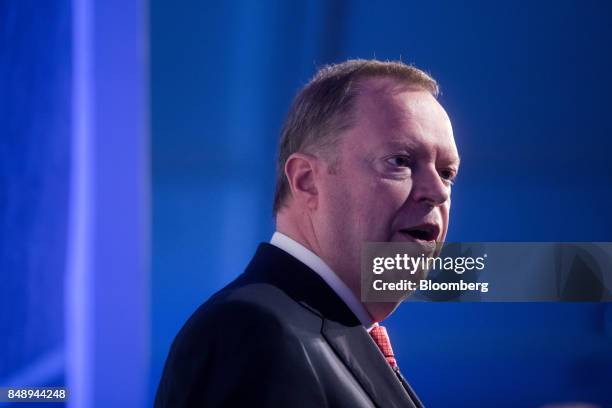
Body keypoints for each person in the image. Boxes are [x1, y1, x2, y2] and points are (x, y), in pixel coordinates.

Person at [155, 59, 460, 408]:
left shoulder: (317, 330)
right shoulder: (253, 332)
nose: (438, 191)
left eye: (447, 171)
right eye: (401, 161)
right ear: (306, 180)